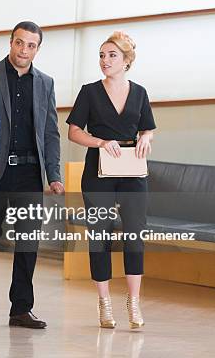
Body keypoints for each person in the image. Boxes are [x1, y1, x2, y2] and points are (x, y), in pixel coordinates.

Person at [0, 21, 64, 329]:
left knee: (28, 241)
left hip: (31, 173)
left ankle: (20, 308)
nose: (24, 50)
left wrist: (54, 174)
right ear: (11, 42)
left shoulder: (45, 82)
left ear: (37, 48)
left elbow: (50, 132)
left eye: (31, 45)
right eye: (20, 43)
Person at [66, 31, 155, 329]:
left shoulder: (140, 92)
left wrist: (146, 139)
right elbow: (74, 131)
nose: (105, 60)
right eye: (102, 55)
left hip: (133, 173)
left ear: (126, 60)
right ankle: (104, 303)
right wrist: (101, 142)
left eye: (112, 55)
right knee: (100, 235)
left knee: (134, 234)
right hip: (98, 172)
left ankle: (133, 303)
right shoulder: (89, 92)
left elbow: (148, 129)